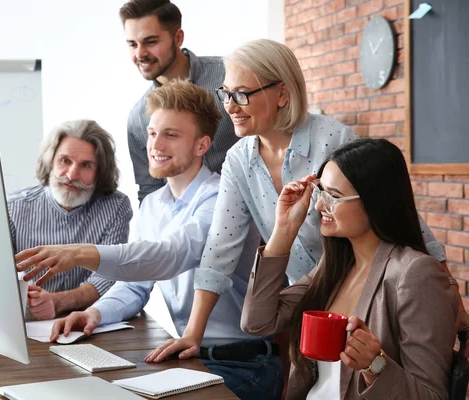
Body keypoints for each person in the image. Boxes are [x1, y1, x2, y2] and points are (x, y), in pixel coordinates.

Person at [147, 39, 448, 372]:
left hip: (370, 296)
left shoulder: (334, 140)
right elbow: (219, 250)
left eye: (242, 94)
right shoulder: (238, 161)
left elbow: (399, 215)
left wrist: (454, 313)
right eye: (226, 93)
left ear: (282, 94)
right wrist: (193, 334)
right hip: (307, 302)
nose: (231, 106)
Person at [16, 80, 283, 400]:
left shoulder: (221, 200)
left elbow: (170, 255)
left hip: (242, 363)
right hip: (190, 356)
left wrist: (82, 253)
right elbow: (135, 285)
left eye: (171, 135)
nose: (156, 144)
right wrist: (94, 314)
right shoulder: (153, 204)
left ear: (201, 145)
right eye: (153, 133)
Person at [240, 138, 458, 399]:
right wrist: (284, 231)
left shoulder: (415, 274)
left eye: (333, 196)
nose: (320, 205)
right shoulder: (334, 266)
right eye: (320, 191)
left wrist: (375, 366)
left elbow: (431, 395)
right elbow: (257, 322)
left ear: (375, 200)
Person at [9, 120, 132, 320]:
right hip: (28, 322)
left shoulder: (116, 207)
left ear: (100, 172)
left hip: (92, 321)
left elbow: (111, 275)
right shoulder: (14, 208)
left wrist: (58, 301)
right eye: (65, 161)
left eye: (86, 165)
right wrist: (27, 296)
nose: (72, 175)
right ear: (50, 161)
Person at [120, 0, 239, 202]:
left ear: (178, 37)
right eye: (132, 44)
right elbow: (150, 190)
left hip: (254, 222)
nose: (140, 54)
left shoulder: (229, 76)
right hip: (186, 229)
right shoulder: (139, 118)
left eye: (150, 42)